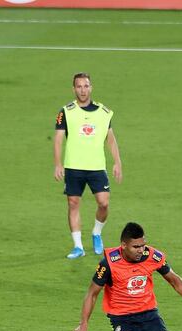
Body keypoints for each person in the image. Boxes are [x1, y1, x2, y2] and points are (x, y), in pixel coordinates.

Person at [54, 72, 123, 259]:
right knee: (73, 203)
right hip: (73, 166)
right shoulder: (66, 111)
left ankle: (96, 233)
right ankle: (78, 247)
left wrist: (117, 162)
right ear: (74, 89)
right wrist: (58, 163)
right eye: (79, 86)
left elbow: (111, 139)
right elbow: (59, 138)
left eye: (86, 86)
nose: (83, 90)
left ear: (91, 87)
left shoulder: (104, 113)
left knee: (104, 203)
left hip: (96, 167)